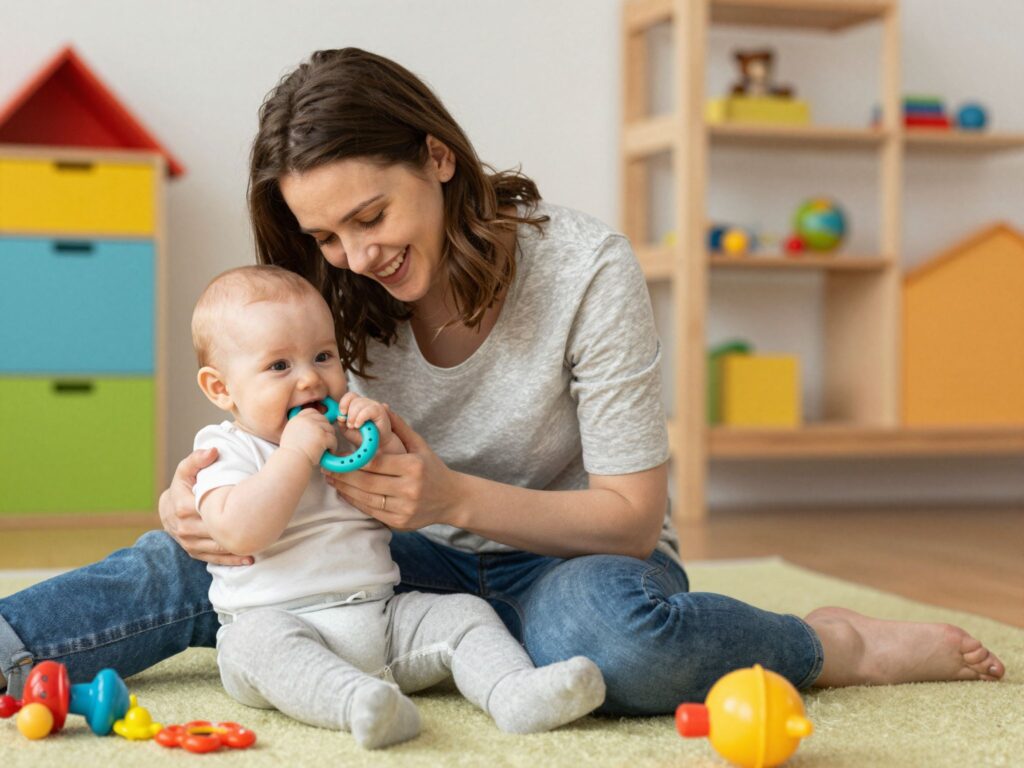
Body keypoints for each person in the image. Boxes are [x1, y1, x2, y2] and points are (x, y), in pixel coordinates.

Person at [0, 48, 1004, 714]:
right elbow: (257, 427)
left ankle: (829, 645)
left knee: (618, 637)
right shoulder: (328, 293)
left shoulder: (585, 269)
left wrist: (452, 498)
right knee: (185, 568)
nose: (353, 256)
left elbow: (628, 517)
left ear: (437, 158)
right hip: (388, 564)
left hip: (567, 559)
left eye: (371, 216)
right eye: (324, 236)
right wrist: (200, 500)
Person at [182, 264, 604, 747]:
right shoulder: (224, 451)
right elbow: (240, 533)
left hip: (380, 621)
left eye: (322, 356)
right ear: (221, 388)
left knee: (465, 614)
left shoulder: (344, 435)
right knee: (256, 645)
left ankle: (513, 692)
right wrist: (296, 455)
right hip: (282, 625)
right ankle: (360, 704)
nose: (309, 381)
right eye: (279, 366)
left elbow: (403, 499)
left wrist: (381, 440)